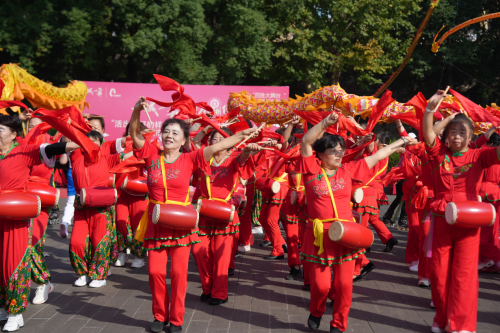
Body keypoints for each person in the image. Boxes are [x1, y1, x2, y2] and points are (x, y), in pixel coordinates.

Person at [130, 97, 256, 333]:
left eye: (175, 133)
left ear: (184, 140)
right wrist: (136, 111)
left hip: (181, 221)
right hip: (157, 221)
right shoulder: (150, 154)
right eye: (166, 131)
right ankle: (159, 316)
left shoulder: (191, 158)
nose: (169, 136)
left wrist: (245, 135)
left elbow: (219, 145)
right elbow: (135, 133)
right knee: (155, 272)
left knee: (179, 274)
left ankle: (176, 319)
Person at [298, 113, 417, 332]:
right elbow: (306, 141)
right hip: (319, 237)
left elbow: (379, 154)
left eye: (340, 150)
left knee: (344, 286)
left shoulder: (349, 170)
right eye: (333, 150)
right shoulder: (310, 171)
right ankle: (316, 311)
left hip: (345, 234)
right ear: (321, 154)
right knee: (321, 287)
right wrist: (326, 123)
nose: (338, 153)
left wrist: (402, 141)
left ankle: (338, 324)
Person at [422, 91, 500, 333]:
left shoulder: (480, 155)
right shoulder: (438, 154)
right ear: (446, 136)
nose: (457, 136)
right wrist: (430, 110)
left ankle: (462, 325)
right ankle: (441, 319)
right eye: (453, 132)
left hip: (469, 220)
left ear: (470, 137)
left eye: (462, 132)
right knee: (439, 273)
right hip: (441, 218)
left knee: (465, 275)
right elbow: (428, 134)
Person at [0, 115, 79, 332]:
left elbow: (66, 146)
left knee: (13, 264)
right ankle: (3, 306)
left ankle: (15, 313)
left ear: (15, 135)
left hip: (15, 216)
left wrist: (72, 130)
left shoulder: (24, 151)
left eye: (1, 129)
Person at [192, 127, 260, 305]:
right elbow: (193, 144)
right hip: (205, 212)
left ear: (231, 143)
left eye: (222, 139)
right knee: (199, 251)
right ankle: (207, 287)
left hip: (224, 214)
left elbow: (243, 158)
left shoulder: (232, 160)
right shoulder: (203, 159)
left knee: (221, 257)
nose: (218, 142)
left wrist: (246, 151)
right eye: (214, 139)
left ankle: (219, 293)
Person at [69, 131, 129, 288]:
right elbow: (68, 137)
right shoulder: (75, 156)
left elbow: (129, 152)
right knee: (77, 241)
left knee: (99, 242)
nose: (90, 144)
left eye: (95, 141)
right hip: (81, 206)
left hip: (101, 207)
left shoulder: (108, 159)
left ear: (101, 145)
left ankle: (99, 275)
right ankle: (82, 272)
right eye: (87, 141)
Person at [114, 122, 151, 268]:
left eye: (136, 131)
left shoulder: (148, 147)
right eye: (130, 131)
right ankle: (122, 252)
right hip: (123, 191)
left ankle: (139, 255)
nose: (132, 134)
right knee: (120, 222)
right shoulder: (121, 145)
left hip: (140, 192)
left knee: (138, 225)